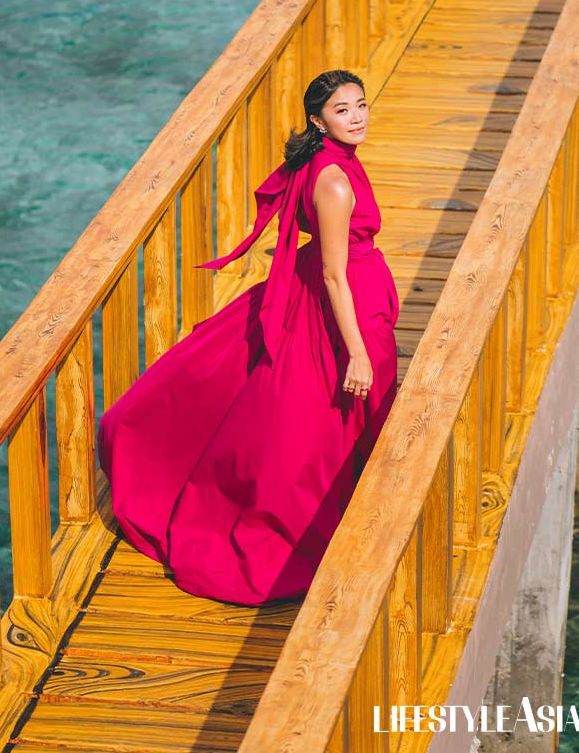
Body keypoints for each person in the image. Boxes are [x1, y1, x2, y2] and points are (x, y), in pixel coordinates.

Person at [98, 69, 400, 605]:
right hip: (342, 297)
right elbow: (334, 274)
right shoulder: (333, 179)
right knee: (333, 410)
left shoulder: (328, 163)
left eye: (360, 106)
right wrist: (354, 351)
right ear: (318, 120)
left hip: (342, 288)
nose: (356, 118)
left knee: (320, 411)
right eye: (342, 110)